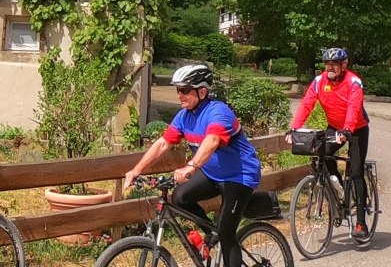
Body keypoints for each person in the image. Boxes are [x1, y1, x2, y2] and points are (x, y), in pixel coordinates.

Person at [122, 64, 261, 267]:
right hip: (213, 174)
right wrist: (136, 170)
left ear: (202, 91)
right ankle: (211, 234)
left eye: (185, 90)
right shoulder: (184, 116)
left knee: (226, 233)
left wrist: (191, 166)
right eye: (178, 90)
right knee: (179, 198)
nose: (180, 95)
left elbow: (212, 141)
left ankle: (220, 234)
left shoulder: (218, 112)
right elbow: (163, 143)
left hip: (239, 176)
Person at [288, 47, 371, 242]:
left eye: (334, 64)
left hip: (356, 129)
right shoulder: (319, 82)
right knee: (322, 153)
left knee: (357, 172)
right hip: (334, 127)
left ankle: (361, 222)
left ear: (344, 65)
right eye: (327, 64)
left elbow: (353, 107)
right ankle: (340, 191)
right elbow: (307, 103)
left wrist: (348, 130)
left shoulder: (353, 82)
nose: (330, 68)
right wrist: (294, 128)